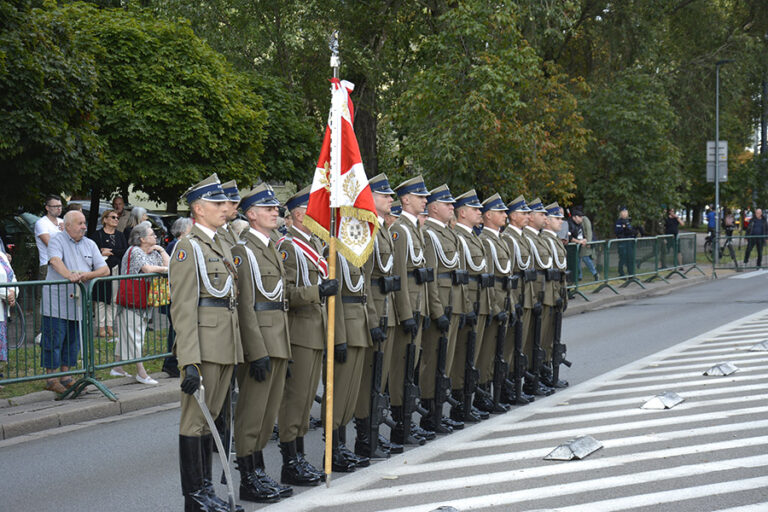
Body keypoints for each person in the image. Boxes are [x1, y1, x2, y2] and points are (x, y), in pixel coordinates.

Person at [170, 174, 244, 512]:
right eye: (217, 203)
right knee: (195, 422)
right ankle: (195, 497)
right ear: (198, 209)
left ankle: (206, 491)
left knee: (211, 420)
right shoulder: (189, 248)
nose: (224, 208)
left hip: (225, 344)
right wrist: (190, 361)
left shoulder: (218, 243)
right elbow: (183, 308)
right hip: (204, 348)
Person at [230, 183, 292, 502]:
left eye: (275, 208)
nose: (275, 212)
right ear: (251, 215)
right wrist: (256, 351)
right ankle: (248, 479)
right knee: (252, 414)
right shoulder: (244, 251)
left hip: (278, 338)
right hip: (261, 342)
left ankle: (260, 471)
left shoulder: (270, 246)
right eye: (267, 209)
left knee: (267, 415)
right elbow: (246, 306)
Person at [276, 186, 337, 482]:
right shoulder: (288, 247)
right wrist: (317, 291)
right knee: (295, 399)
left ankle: (299, 458)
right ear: (301, 215)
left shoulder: (313, 244)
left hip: (315, 328)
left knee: (304, 401)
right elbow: (284, 294)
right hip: (298, 330)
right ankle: (290, 463)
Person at [355, 173, 403, 459]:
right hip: (373, 311)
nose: (390, 199)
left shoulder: (383, 227)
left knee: (379, 376)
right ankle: (364, 436)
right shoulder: (364, 227)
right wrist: (372, 319)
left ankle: (373, 432)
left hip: (387, 310)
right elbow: (362, 280)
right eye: (384, 195)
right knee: (368, 379)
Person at [41, 210, 109, 393]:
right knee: (54, 340)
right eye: (80, 223)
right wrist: (70, 276)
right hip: (56, 302)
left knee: (72, 341)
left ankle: (66, 378)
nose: (84, 227)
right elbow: (55, 261)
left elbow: (105, 270)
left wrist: (87, 275)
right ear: (68, 225)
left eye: (84, 223)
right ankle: (51, 379)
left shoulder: (90, 244)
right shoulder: (57, 240)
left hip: (78, 303)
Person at [419, 184, 466, 434]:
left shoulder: (448, 233)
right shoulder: (429, 234)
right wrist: (437, 311)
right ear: (434, 208)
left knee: (445, 363)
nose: (452, 208)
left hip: (453, 302)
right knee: (433, 361)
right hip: (441, 306)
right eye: (447, 204)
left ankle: (439, 411)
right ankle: (429, 415)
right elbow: (432, 277)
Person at [390, 176, 433, 446]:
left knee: (412, 368)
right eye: (420, 197)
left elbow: (421, 275)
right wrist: (406, 314)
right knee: (402, 371)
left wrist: (424, 310)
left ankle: (407, 422)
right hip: (408, 310)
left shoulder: (415, 229)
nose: (425, 200)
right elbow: (400, 276)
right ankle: (401, 425)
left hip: (418, 308)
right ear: (406, 199)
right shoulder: (401, 229)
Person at [449, 190, 491, 423]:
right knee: (462, 355)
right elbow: (463, 275)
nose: (479, 212)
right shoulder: (460, 237)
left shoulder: (474, 237)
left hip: (477, 299)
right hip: (466, 300)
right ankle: (460, 404)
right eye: (475, 209)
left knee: (472, 354)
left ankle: (467, 400)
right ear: (462, 213)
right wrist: (467, 306)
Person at [111, 221, 169, 384]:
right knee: (135, 336)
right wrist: (164, 270)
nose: (155, 236)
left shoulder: (153, 252)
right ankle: (141, 372)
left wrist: (162, 250)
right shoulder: (134, 251)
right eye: (152, 234)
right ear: (142, 239)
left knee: (130, 333)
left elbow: (170, 265)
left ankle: (117, 367)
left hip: (144, 299)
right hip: (133, 299)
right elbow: (148, 269)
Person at [476, 193, 513, 414]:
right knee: (487, 351)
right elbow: (488, 278)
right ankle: (482, 394)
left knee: (496, 352)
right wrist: (495, 307)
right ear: (488, 215)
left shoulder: (499, 239)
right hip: (493, 302)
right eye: (500, 212)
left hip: (505, 299)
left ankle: (491, 391)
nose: (504, 215)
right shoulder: (485, 241)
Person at [522, 198, 555, 397]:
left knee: (542, 340)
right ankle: (529, 379)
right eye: (541, 214)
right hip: (530, 294)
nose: (546, 218)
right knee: (529, 342)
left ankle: (539, 374)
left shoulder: (541, 238)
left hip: (543, 292)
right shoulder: (525, 238)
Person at [540, 203, 568, 389]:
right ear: (547, 221)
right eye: (557, 218)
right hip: (548, 295)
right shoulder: (545, 240)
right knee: (544, 338)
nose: (560, 222)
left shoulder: (555, 240)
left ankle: (547, 371)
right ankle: (543, 373)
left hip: (556, 293)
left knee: (551, 337)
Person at [162, 217, 193, 378]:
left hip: (179, 293)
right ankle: (171, 363)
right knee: (175, 329)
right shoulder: (177, 245)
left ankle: (174, 361)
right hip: (175, 294)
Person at [89, 209, 128, 338]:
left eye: (117, 218)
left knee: (113, 300)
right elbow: (92, 253)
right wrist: (101, 253)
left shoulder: (120, 235)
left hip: (116, 269)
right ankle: (100, 327)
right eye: (113, 217)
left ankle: (110, 326)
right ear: (105, 219)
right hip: (102, 270)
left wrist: (110, 251)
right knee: (101, 299)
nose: (116, 220)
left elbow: (124, 251)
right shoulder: (97, 235)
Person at [34, 195, 64, 280]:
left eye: (60, 206)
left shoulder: (63, 222)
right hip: (48, 264)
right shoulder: (41, 223)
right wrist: (65, 235)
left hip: (64, 264)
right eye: (55, 206)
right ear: (47, 208)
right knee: (46, 292)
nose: (59, 208)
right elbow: (51, 244)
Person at [1, 249, 19, 374]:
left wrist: (13, 292)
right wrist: (6, 294)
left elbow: (12, 277)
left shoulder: (2, 255)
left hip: (2, 309)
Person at [568, 207, 598, 281]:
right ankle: (578, 276)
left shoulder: (581, 222)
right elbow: (569, 237)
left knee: (585, 258)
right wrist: (579, 241)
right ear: (574, 217)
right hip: (573, 247)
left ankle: (593, 273)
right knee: (578, 261)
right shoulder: (570, 223)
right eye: (580, 216)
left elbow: (586, 231)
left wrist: (585, 240)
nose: (581, 218)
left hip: (581, 244)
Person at [615, 206, 640, 277]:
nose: (625, 213)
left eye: (626, 212)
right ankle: (621, 273)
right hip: (622, 243)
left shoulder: (627, 221)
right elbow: (617, 231)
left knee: (630, 258)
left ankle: (631, 274)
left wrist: (635, 233)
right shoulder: (619, 222)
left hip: (629, 242)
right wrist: (623, 228)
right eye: (623, 212)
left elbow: (630, 230)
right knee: (623, 258)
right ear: (620, 213)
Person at [219, 180, 241, 248]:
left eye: (238, 203)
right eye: (233, 203)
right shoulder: (212, 232)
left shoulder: (230, 230)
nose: (237, 207)